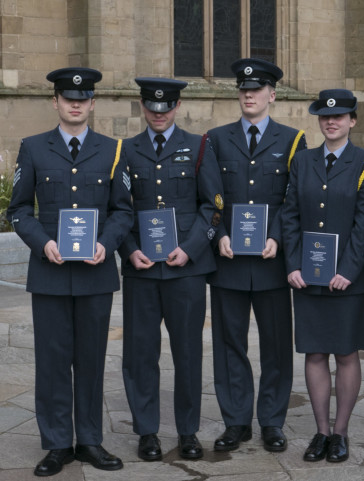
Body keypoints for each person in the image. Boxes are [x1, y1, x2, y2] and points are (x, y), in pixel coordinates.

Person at [6, 67, 133, 476]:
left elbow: (123, 210)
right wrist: (43, 243)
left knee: (92, 360)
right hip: (51, 273)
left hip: (95, 273)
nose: (75, 103)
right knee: (53, 360)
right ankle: (58, 444)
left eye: (83, 98)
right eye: (67, 98)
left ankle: (90, 441)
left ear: (92, 103)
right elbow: (20, 210)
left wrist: (106, 243)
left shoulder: (113, 150)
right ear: (56, 102)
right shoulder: (33, 148)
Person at [119, 77, 223, 461]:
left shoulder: (198, 147)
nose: (159, 115)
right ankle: (147, 431)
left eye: (166, 108)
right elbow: (120, 210)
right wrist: (129, 251)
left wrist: (192, 249)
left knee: (188, 353)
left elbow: (212, 205)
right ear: (143, 108)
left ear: (177, 107)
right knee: (140, 354)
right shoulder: (127, 150)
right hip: (142, 270)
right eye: (152, 108)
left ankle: (188, 431)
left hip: (185, 271)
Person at [206, 58, 306, 453]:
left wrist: (279, 238)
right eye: (244, 89)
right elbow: (210, 198)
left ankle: (271, 421)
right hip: (230, 261)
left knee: (276, 345)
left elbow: (294, 200)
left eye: (257, 89)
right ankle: (235, 421)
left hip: (271, 262)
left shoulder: (293, 140)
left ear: (272, 95)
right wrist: (219, 235)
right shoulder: (215, 138)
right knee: (230, 344)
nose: (249, 95)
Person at [280, 89, 364, 463]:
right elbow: (289, 215)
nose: (331, 121)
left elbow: (363, 223)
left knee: (346, 352)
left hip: (346, 280)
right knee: (315, 351)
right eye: (324, 116)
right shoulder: (303, 161)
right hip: (308, 275)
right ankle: (320, 432)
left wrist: (348, 271)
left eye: (339, 116)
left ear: (353, 120)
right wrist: (292, 264)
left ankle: (340, 433)